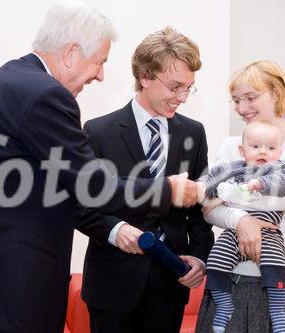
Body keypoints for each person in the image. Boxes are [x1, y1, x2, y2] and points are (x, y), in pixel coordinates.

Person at [0, 3, 197, 333]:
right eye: (100, 61)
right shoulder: (44, 95)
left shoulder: (8, 81)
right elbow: (93, 185)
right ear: (71, 52)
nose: (101, 75)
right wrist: (170, 190)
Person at [77, 27, 214, 333]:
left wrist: (200, 258)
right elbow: (82, 207)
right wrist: (114, 230)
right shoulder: (98, 132)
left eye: (188, 88)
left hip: (170, 285)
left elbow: (200, 209)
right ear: (145, 76)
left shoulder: (194, 133)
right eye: (175, 86)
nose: (182, 98)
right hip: (112, 287)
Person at [195, 60, 285, 333]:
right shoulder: (232, 146)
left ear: (277, 94)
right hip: (233, 277)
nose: (242, 108)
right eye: (236, 100)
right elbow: (208, 206)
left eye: (250, 98)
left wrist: (229, 196)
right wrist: (241, 220)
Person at [196, 121, 285, 333]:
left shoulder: (279, 167)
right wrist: (201, 190)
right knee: (215, 262)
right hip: (234, 231)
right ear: (242, 150)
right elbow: (210, 181)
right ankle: (224, 304)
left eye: (270, 148)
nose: (263, 152)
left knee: (276, 264)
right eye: (256, 146)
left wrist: (261, 184)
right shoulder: (233, 168)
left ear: (279, 151)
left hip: (267, 231)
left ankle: (278, 312)